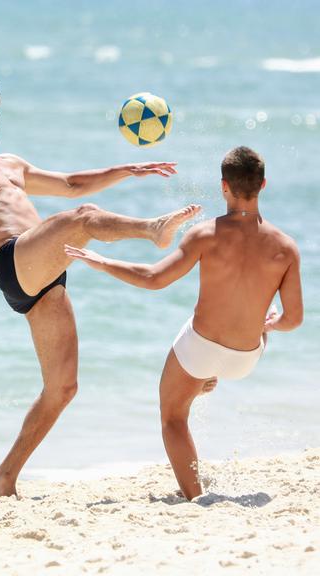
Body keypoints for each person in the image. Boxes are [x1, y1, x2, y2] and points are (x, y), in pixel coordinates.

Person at [0, 73, 200, 497]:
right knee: (85, 217)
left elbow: (70, 184)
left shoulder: (9, 163)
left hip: (45, 273)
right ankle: (153, 229)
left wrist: (126, 170)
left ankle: (3, 477)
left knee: (63, 387)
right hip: (13, 261)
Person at [65, 146, 304, 501]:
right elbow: (293, 320)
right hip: (245, 356)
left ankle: (195, 495)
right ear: (263, 185)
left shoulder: (205, 234)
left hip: (201, 349)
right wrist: (269, 325)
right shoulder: (285, 247)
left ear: (224, 186)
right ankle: (210, 371)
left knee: (173, 416)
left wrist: (102, 262)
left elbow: (153, 278)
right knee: (256, 326)